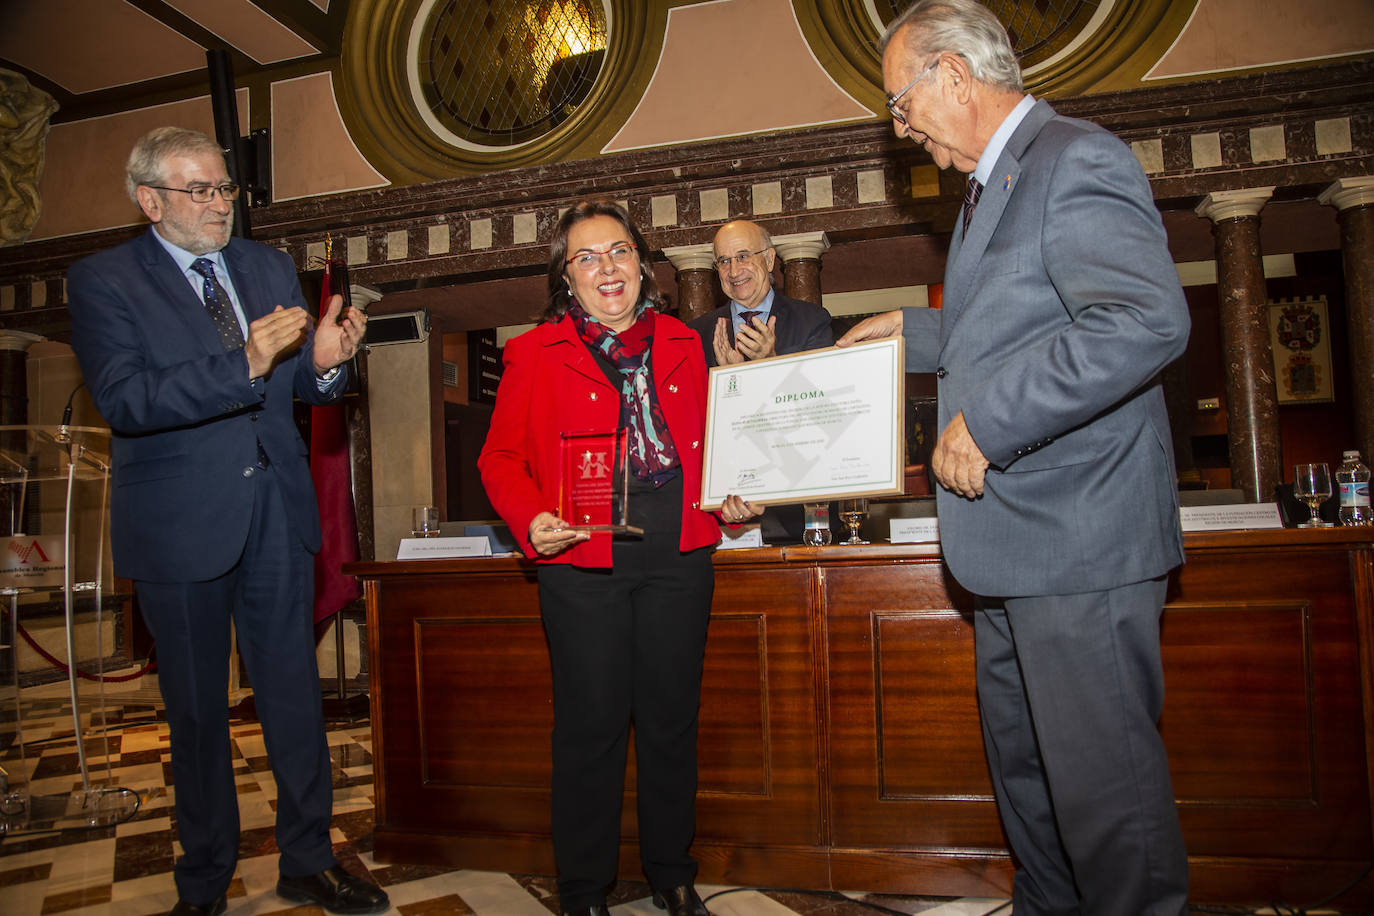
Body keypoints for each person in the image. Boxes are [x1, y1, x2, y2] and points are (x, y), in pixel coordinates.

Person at [837, 2, 1191, 913]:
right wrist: (913, 331)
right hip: (1011, 550)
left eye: (900, 102)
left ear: (954, 77)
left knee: (1105, 797)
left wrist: (989, 424)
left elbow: (1142, 321)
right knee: (1031, 781)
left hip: (1080, 541)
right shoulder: (993, 186)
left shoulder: (1075, 159)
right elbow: (1020, 319)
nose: (901, 126)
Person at [67, 127, 387, 916]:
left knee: (292, 698)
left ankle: (309, 860)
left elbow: (303, 392)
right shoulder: (105, 281)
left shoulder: (266, 265)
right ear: (151, 201)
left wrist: (325, 362)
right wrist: (243, 362)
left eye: (224, 190)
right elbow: (125, 401)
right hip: (180, 526)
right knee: (199, 713)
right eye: (201, 192)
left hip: (276, 513)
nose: (220, 206)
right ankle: (204, 883)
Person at [478, 199, 760, 916]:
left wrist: (737, 491)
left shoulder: (685, 342)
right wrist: (529, 516)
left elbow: (721, 440)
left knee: (671, 721)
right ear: (566, 278)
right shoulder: (531, 352)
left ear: (642, 264)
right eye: (588, 257)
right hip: (581, 557)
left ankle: (672, 872)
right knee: (590, 725)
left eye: (621, 252)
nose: (608, 267)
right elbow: (501, 458)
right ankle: (583, 888)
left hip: (678, 546)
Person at [688, 219, 833, 368]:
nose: (734, 271)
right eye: (724, 261)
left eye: (743, 257)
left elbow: (819, 387)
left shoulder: (811, 321)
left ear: (769, 259)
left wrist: (770, 362)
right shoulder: (696, 334)